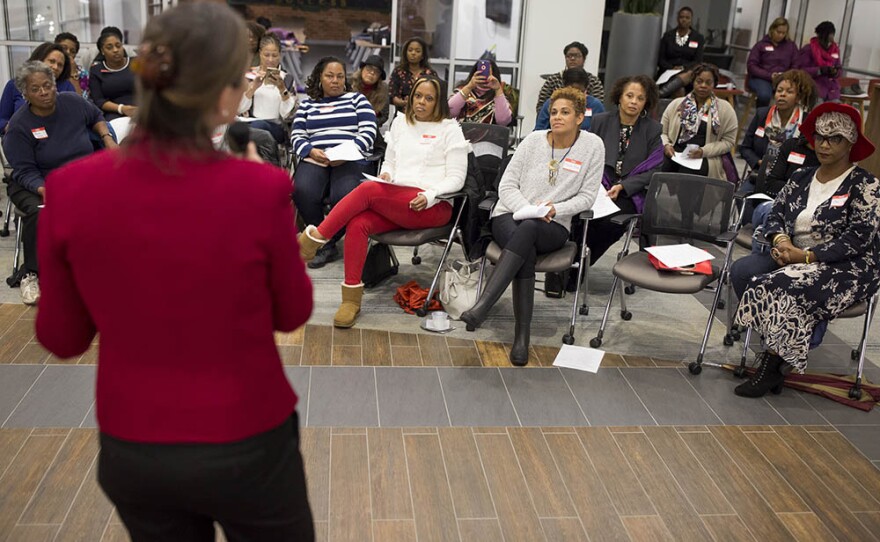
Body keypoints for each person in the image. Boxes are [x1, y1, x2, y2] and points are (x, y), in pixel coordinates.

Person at [34, 4, 315, 538]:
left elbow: (63, 337)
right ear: (229, 92)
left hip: (134, 445)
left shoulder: (70, 191)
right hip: (248, 438)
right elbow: (292, 310)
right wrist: (270, 204)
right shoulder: (260, 191)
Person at [730, 103, 879, 398]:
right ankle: (781, 346)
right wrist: (781, 242)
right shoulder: (801, 178)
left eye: (834, 138)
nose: (824, 144)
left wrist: (808, 257)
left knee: (783, 284)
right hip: (792, 254)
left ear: (850, 143)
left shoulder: (867, 186)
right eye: (820, 137)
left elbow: (858, 239)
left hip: (847, 265)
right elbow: (776, 214)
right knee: (743, 271)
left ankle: (773, 364)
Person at [298, 76, 467, 328]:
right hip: (395, 200)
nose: (421, 102)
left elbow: (457, 178)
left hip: (432, 205)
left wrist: (430, 194)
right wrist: (387, 174)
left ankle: (315, 239)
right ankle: (351, 300)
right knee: (358, 223)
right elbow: (390, 162)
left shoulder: (449, 129)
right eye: (418, 95)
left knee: (367, 190)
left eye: (429, 98)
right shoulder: (401, 123)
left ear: (439, 102)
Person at [460, 87, 603, 366]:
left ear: (579, 118)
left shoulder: (593, 146)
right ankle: (521, 338)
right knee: (525, 235)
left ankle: (482, 307)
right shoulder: (533, 141)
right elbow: (506, 185)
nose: (557, 117)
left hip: (554, 223)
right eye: (553, 112)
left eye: (565, 112)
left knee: (529, 232)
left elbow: (587, 196)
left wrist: (553, 209)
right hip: (510, 214)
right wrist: (527, 209)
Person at [2, 61, 115, 305]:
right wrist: (45, 188)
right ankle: (31, 273)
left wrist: (107, 138)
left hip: (79, 176)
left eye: (47, 85)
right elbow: (23, 171)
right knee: (40, 212)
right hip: (35, 182)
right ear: (25, 94)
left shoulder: (72, 102)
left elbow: (96, 115)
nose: (44, 92)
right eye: (36, 89)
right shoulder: (19, 126)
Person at [291, 56, 377, 269]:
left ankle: (323, 240)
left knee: (345, 195)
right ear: (319, 78)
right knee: (303, 189)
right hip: (316, 157)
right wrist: (310, 150)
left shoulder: (357, 100)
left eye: (340, 76)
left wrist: (349, 151)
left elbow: (369, 131)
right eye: (330, 76)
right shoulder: (307, 105)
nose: (336, 81)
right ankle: (326, 243)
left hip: (348, 158)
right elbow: (297, 134)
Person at [587, 75, 663, 265]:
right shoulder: (600, 121)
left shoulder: (652, 129)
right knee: (580, 219)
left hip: (630, 193)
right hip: (598, 187)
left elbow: (654, 169)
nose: (634, 102)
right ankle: (570, 265)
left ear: (646, 102)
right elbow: (587, 156)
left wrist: (624, 186)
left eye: (640, 98)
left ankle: (580, 267)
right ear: (620, 96)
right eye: (629, 96)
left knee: (610, 224)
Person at [739, 69, 816, 225]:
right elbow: (745, 147)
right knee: (742, 199)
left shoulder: (807, 121)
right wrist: (758, 163)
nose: (782, 94)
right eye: (779, 90)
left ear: (798, 97)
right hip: (759, 173)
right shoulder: (762, 115)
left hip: (789, 178)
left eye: (789, 91)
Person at [661, 63, 737, 180]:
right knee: (656, 164)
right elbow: (661, 132)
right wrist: (666, 145)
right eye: (699, 81)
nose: (703, 85)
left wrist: (703, 151)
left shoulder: (725, 109)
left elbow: (728, 141)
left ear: (714, 84)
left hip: (704, 156)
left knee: (687, 173)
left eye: (708, 82)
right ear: (693, 82)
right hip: (674, 152)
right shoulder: (677, 104)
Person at [238, 34, 296, 164]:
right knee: (254, 128)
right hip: (250, 123)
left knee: (259, 127)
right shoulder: (249, 76)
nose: (270, 60)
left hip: (276, 127)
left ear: (280, 55)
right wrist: (252, 88)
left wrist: (282, 89)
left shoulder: (287, 79)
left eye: (274, 56)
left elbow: (287, 114)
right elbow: (240, 108)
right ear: (260, 54)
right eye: (266, 55)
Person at [0, 43, 75, 134]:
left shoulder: (66, 86)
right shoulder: (14, 85)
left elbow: (74, 117)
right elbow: (2, 119)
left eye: (60, 65)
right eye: (51, 61)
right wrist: (10, 127)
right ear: (39, 60)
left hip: (57, 138)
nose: (55, 67)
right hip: (20, 136)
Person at [535, 41, 604, 112]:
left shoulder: (593, 81)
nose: (572, 59)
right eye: (569, 56)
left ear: (584, 58)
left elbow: (597, 108)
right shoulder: (553, 80)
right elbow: (541, 106)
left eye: (576, 56)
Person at [747, 17, 799, 107]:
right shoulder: (761, 45)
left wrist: (786, 75)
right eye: (778, 32)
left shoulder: (791, 46)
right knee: (764, 95)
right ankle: (761, 118)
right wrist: (769, 75)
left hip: (784, 79)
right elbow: (751, 66)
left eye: (783, 33)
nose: (780, 35)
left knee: (793, 96)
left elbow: (796, 65)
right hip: (762, 78)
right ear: (772, 30)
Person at [89, 26, 137, 121]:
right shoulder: (96, 70)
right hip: (115, 113)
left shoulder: (136, 63)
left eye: (118, 45)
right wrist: (122, 109)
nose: (115, 50)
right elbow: (99, 100)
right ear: (102, 51)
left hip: (141, 108)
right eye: (109, 47)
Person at [449, 59, 516, 126]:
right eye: (481, 72)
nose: (484, 76)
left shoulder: (500, 94)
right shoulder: (463, 90)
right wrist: (469, 87)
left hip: (491, 135)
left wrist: (498, 90)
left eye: (487, 73)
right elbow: (449, 112)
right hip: (461, 134)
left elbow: (503, 122)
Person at [535, 68, 604, 131]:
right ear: (564, 88)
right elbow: (539, 131)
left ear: (586, 89)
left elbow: (602, 133)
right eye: (571, 91)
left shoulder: (596, 105)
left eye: (579, 92)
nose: (575, 96)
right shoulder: (552, 103)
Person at [797, 21, 842, 103]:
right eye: (827, 38)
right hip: (814, 88)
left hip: (832, 90)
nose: (830, 41)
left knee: (836, 110)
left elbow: (839, 68)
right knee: (818, 108)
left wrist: (835, 72)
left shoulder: (835, 50)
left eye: (832, 36)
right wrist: (820, 70)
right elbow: (801, 70)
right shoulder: (808, 49)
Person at [388, 37, 436, 111]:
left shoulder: (430, 74)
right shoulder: (398, 72)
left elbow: (436, 96)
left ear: (423, 55)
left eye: (417, 51)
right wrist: (403, 102)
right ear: (406, 53)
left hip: (425, 116)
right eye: (410, 50)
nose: (413, 53)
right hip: (403, 115)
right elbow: (391, 96)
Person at [657, 7, 705, 76]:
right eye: (681, 17)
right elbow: (661, 59)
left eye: (687, 18)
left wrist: (682, 68)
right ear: (677, 19)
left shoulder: (698, 38)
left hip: (687, 74)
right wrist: (672, 68)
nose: (684, 20)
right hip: (667, 72)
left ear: (691, 20)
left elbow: (698, 61)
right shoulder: (668, 36)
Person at [350, 54, 390, 134]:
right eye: (369, 69)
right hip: (349, 125)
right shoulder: (349, 83)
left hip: (371, 128)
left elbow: (384, 116)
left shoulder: (383, 89)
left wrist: (369, 124)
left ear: (379, 77)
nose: (372, 73)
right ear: (362, 69)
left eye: (376, 72)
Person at [54, 32, 89, 98]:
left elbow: (81, 100)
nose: (68, 52)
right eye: (64, 48)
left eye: (72, 51)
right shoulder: (50, 67)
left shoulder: (82, 73)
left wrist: (73, 73)